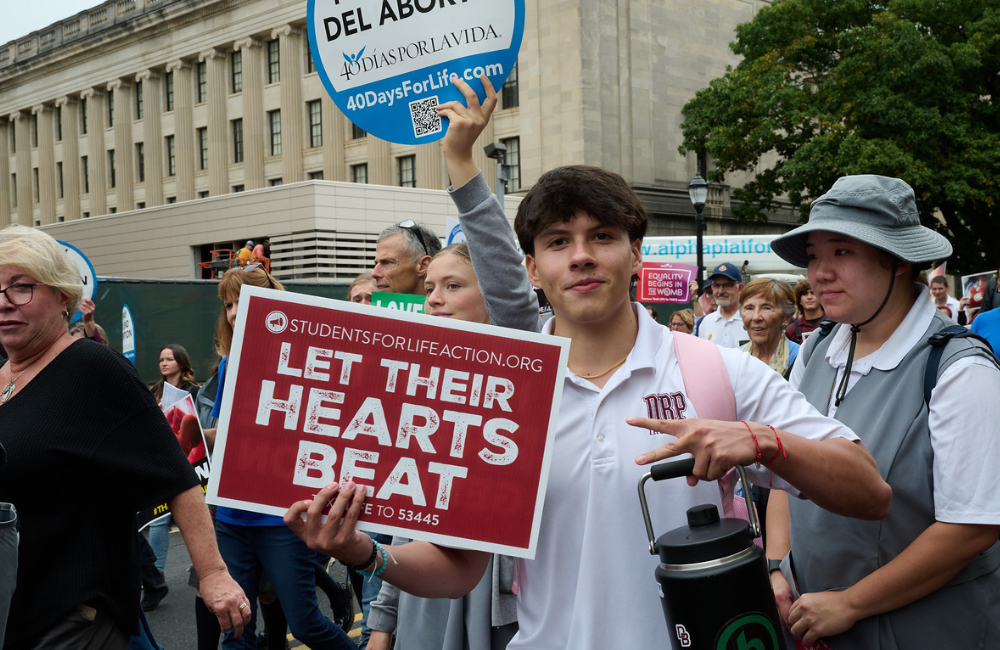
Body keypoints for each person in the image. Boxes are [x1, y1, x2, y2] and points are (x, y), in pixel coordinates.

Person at [285, 75, 891, 650]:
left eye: (602, 236)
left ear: (636, 254)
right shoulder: (501, 391)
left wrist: (762, 442)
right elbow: (458, 567)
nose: (581, 257)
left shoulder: (717, 372)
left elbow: (870, 490)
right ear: (531, 269)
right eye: (557, 241)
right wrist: (363, 550)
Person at [766, 175, 1000, 649]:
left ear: (896, 259)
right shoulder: (816, 349)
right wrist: (777, 567)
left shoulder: (959, 370)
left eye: (842, 252)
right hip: (813, 624)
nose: (819, 273)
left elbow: (973, 526)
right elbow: (786, 469)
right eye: (813, 255)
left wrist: (850, 603)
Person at [0, 225, 249, 649]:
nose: (4, 303)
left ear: (63, 297)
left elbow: (177, 474)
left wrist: (213, 575)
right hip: (12, 613)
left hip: (71, 618)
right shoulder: (5, 375)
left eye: (21, 287)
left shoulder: (93, 369)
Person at [367, 243, 527, 650]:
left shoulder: (531, 384)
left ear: (495, 293)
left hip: (505, 604)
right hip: (427, 597)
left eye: (453, 285)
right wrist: (383, 623)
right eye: (430, 287)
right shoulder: (423, 385)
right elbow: (410, 516)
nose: (435, 298)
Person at [210, 265, 355, 650]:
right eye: (228, 304)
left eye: (243, 300)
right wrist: (189, 433)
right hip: (230, 516)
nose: (235, 312)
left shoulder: (307, 358)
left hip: (282, 516)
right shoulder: (228, 365)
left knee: (306, 624)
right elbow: (226, 433)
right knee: (235, 629)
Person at [143, 343, 203, 611]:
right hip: (163, 462)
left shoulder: (194, 391)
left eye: (169, 359)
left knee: (198, 517)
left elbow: (199, 428)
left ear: (181, 361)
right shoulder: (155, 391)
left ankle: (208, 566)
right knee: (158, 518)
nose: (163, 363)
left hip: (190, 463)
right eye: (160, 359)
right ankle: (156, 576)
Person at [739, 278, 800, 378]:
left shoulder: (800, 357)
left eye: (766, 308)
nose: (756, 317)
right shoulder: (736, 357)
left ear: (786, 317)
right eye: (749, 308)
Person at [371, 221, 441, 295]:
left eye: (387, 262)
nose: (374, 273)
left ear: (423, 265)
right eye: (376, 264)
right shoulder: (365, 304)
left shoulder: (450, 306)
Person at [696, 263, 748, 347]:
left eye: (727, 285)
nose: (720, 291)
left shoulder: (751, 320)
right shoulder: (706, 322)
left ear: (740, 288)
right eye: (716, 286)